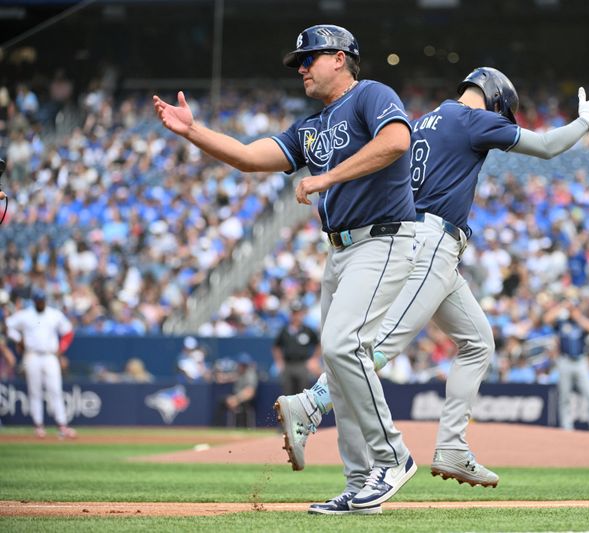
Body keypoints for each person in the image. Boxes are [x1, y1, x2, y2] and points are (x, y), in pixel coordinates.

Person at [275, 67, 589, 485]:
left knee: (478, 342)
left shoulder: (421, 121)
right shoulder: (472, 117)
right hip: (431, 241)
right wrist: (585, 122)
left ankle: (453, 447)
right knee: (382, 340)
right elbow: (545, 146)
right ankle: (312, 403)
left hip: (425, 241)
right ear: (496, 100)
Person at [154, 24, 418, 515]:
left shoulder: (370, 95)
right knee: (339, 364)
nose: (301, 68)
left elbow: (398, 140)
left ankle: (393, 457)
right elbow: (252, 158)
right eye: (299, 61)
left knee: (344, 347)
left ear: (339, 58)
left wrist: (326, 178)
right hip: (340, 251)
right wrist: (194, 131)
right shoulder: (311, 126)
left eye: (309, 58)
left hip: (381, 240)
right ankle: (360, 484)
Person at [4, 289, 76, 439]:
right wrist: (19, 339)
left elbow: (69, 332)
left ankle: (62, 425)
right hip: (32, 355)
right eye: (38, 300)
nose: (41, 303)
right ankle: (38, 426)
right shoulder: (26, 314)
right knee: (34, 391)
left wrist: (61, 349)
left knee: (55, 390)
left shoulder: (54, 314)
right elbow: (7, 326)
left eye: (42, 300)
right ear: (34, 301)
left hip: (50, 356)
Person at [543, 298, 589, 433]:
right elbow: (546, 319)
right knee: (564, 395)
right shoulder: (561, 322)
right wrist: (562, 306)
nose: (571, 310)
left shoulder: (580, 322)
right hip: (565, 361)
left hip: (581, 361)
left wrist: (577, 315)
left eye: (573, 307)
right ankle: (567, 426)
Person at [272, 301, 320, 395]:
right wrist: (279, 361)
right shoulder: (284, 330)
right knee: (287, 393)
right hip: (288, 365)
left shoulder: (307, 330)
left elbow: (319, 344)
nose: (296, 316)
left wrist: (314, 359)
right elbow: (276, 346)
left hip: (302, 364)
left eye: (299, 314)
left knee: (303, 393)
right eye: (294, 313)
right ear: (291, 314)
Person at [216, 352, 259, 427]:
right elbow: (227, 377)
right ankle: (219, 427)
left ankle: (242, 428)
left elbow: (250, 392)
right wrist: (222, 377)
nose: (242, 367)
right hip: (236, 397)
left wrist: (236, 399)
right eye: (241, 364)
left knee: (236, 405)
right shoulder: (238, 372)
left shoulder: (250, 374)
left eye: (244, 365)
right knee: (221, 401)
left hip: (246, 401)